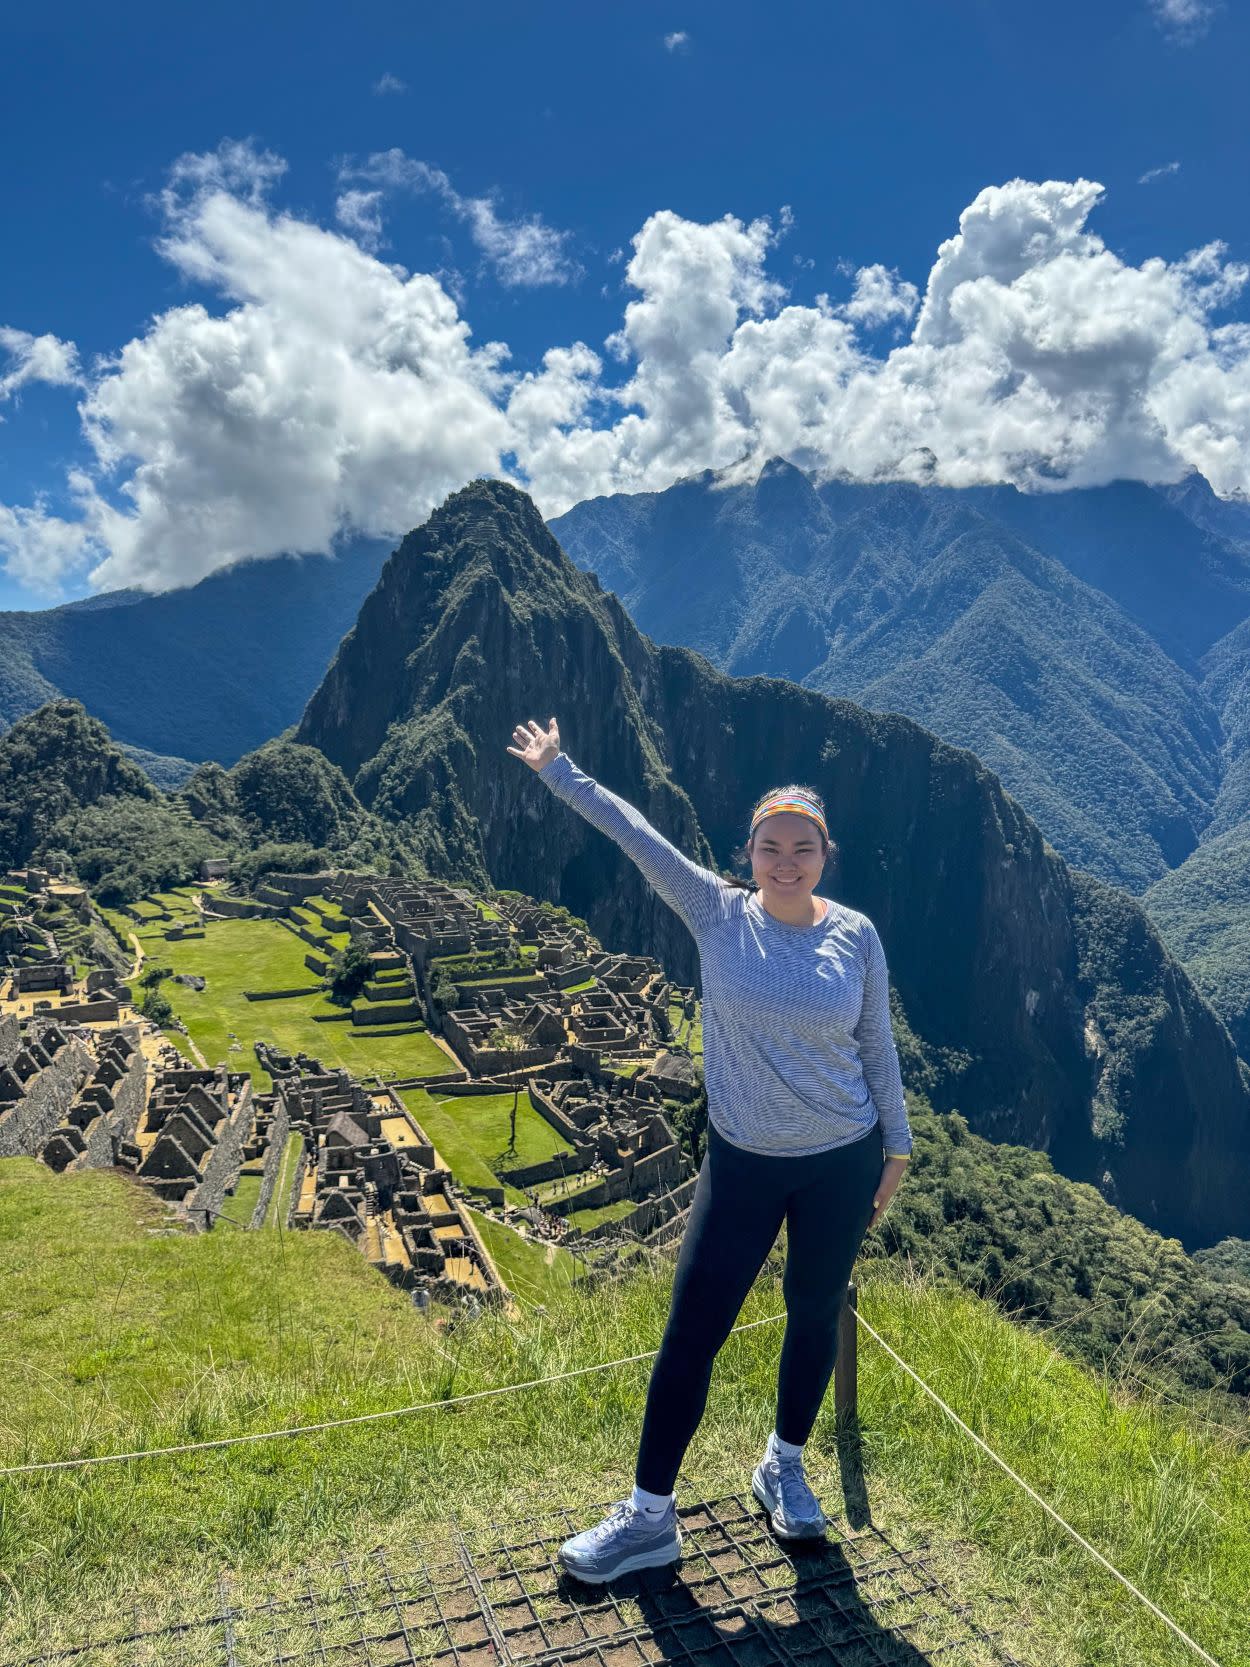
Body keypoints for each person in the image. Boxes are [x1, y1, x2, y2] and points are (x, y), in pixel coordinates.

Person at [506, 717, 913, 1584]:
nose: (786, 861)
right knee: (693, 1331)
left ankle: (785, 1466)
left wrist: (898, 1148)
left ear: (824, 853)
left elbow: (876, 1046)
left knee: (812, 1315)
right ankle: (649, 1515)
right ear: (751, 851)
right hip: (742, 1163)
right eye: (771, 847)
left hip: (842, 1158)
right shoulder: (715, 910)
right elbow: (635, 833)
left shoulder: (859, 936)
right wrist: (558, 771)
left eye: (802, 847)